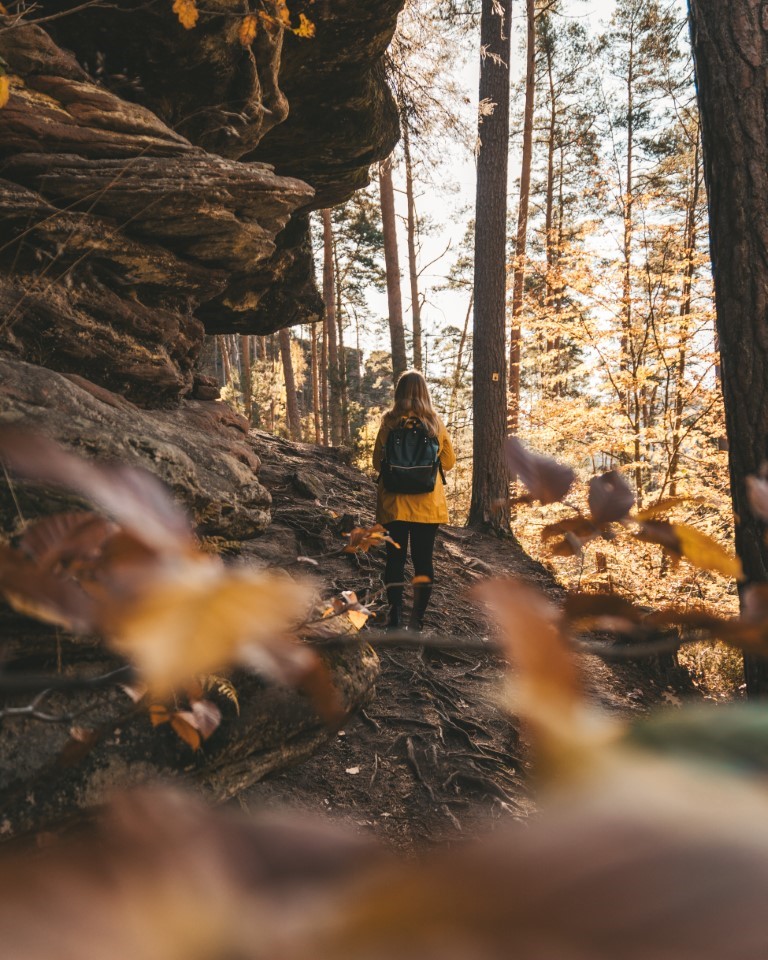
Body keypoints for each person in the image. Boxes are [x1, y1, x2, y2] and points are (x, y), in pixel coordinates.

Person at [372, 370, 456, 632]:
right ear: (425, 393)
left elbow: (377, 463)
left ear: (399, 393)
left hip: (394, 504)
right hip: (427, 505)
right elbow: (449, 463)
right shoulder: (434, 424)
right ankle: (416, 621)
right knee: (423, 561)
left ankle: (394, 617)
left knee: (394, 561)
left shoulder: (389, 423)